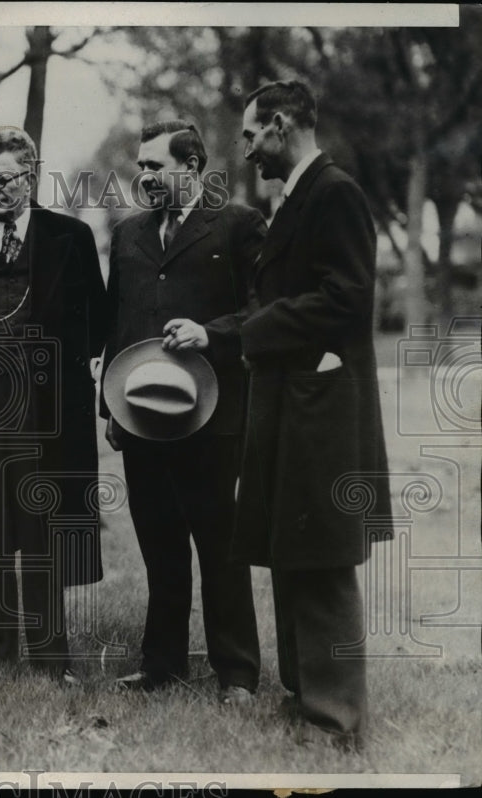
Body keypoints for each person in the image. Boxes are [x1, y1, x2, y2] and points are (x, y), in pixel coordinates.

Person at [237, 80, 392, 748]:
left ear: (279, 125)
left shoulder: (333, 192)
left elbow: (349, 298)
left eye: (250, 135)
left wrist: (261, 328)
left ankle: (336, 723)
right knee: (291, 545)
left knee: (322, 557)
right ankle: (306, 698)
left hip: (322, 404)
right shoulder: (302, 193)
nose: (246, 152)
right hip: (292, 399)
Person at [0, 126, 108, 683]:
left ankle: (51, 658)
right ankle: (0, 652)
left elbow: (97, 322)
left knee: (44, 526)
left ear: (30, 176)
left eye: (4, 179)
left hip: (50, 410)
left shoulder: (72, 237)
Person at [100, 120, 265, 703]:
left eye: (155, 167)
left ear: (191, 169)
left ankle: (238, 674)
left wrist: (210, 333)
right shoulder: (127, 235)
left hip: (214, 420)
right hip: (143, 420)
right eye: (140, 167)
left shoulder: (239, 224)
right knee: (160, 548)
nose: (143, 177)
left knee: (221, 549)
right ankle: (161, 665)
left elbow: (266, 311)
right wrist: (110, 406)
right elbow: (116, 323)